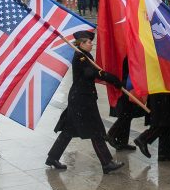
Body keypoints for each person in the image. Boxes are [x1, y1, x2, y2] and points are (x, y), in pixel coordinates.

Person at [46, 31, 124, 174]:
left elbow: (92, 72)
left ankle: (52, 157)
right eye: (88, 42)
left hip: (80, 98)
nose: (91, 44)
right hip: (82, 100)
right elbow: (90, 73)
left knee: (69, 130)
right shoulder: (80, 57)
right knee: (96, 131)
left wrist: (107, 77)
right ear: (81, 44)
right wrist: (109, 77)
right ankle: (107, 163)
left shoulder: (85, 55)